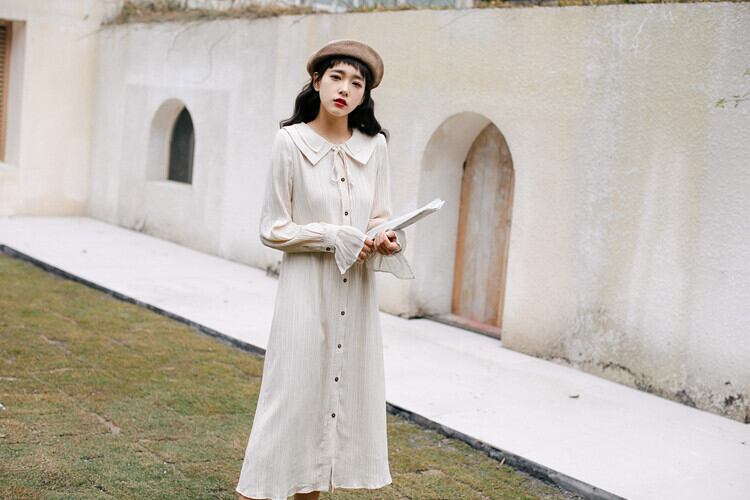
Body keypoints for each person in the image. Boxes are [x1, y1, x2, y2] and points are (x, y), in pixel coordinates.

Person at [235, 39, 415, 500]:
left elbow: (379, 217)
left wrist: (385, 238)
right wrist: (334, 236)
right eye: (336, 77)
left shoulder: (375, 147)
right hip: (305, 293)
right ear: (316, 82)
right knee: (289, 403)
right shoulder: (290, 143)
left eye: (357, 83)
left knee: (336, 407)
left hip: (355, 298)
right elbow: (273, 228)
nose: (345, 89)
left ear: (364, 94)